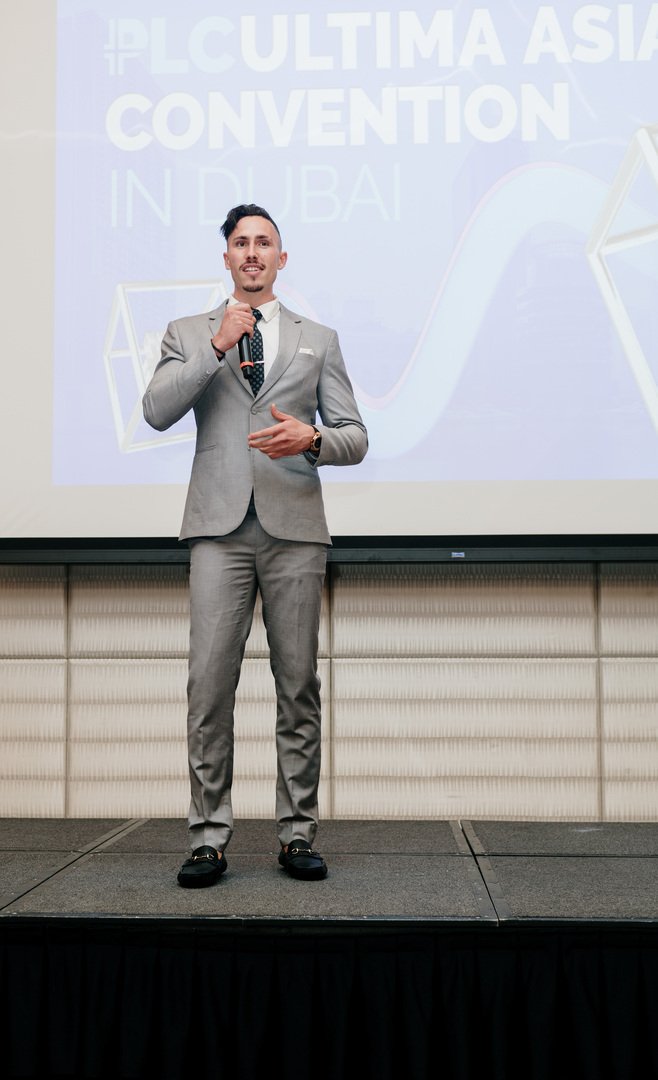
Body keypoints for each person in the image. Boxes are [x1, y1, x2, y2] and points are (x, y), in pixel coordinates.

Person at [143, 204, 367, 886]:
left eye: (263, 243)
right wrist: (216, 346)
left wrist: (313, 438)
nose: (251, 252)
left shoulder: (318, 339)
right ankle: (208, 838)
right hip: (218, 531)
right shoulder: (189, 333)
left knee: (298, 686)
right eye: (240, 242)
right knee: (209, 687)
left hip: (294, 529)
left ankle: (297, 835)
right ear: (226, 258)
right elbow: (155, 411)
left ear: (281, 258)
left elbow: (355, 437)